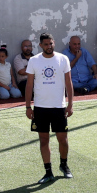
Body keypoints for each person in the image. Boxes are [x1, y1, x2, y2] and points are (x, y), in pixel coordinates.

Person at [26, 33, 74, 184]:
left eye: (51, 43)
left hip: (59, 107)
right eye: (46, 44)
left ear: (54, 43)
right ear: (41, 45)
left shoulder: (63, 59)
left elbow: (69, 83)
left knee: (63, 140)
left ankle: (64, 165)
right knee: (44, 140)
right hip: (40, 108)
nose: (49, 46)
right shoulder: (34, 61)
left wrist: (70, 104)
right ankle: (48, 172)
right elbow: (29, 85)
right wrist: (28, 106)